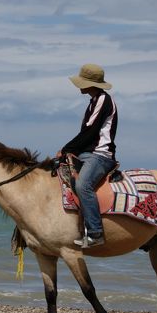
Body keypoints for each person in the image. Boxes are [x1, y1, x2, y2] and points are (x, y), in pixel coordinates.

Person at [56, 64, 118, 248]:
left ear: (90, 84)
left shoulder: (103, 101)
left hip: (100, 155)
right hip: (88, 153)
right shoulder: (94, 101)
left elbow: (90, 133)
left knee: (83, 185)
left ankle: (95, 233)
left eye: (82, 82)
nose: (79, 86)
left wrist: (66, 148)